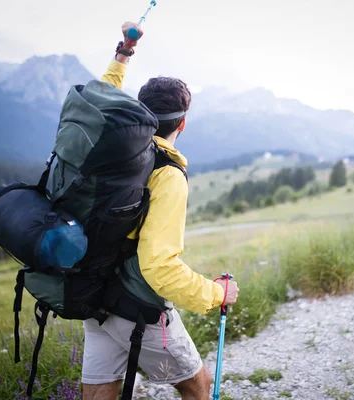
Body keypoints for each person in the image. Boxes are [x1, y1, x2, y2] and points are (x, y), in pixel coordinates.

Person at [81, 21, 240, 400]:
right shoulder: (167, 175)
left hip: (93, 289)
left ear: (138, 111)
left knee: (99, 390)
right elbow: (159, 267)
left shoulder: (112, 146)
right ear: (181, 124)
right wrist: (216, 295)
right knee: (197, 385)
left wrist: (124, 53)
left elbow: (103, 95)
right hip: (138, 304)